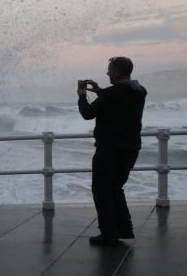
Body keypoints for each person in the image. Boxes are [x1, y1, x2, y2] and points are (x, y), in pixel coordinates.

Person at [77, 56, 147, 246]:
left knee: (101, 191)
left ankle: (109, 233)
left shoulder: (112, 94)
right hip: (131, 149)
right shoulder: (140, 91)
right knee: (115, 188)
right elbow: (119, 101)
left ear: (117, 71)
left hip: (109, 150)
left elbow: (87, 113)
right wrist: (100, 91)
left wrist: (82, 95)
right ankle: (124, 229)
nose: (107, 73)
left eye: (110, 69)